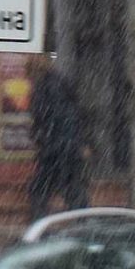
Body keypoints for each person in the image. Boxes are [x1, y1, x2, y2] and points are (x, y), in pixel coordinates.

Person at [27, 54, 88, 219]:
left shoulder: (49, 87)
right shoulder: (54, 83)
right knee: (69, 190)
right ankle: (82, 222)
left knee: (46, 190)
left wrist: (45, 139)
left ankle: (41, 225)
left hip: (58, 150)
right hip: (62, 148)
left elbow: (58, 118)